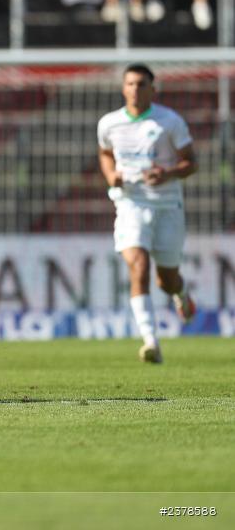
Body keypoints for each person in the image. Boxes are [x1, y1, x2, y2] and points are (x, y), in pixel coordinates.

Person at [97, 63, 197, 364]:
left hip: (167, 206)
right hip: (130, 204)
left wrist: (167, 173)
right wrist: (110, 174)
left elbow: (191, 162)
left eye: (141, 84)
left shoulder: (170, 122)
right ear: (123, 88)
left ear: (153, 89)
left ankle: (180, 292)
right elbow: (105, 153)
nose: (135, 89)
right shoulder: (109, 123)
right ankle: (151, 341)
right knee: (137, 265)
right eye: (130, 84)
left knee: (166, 279)